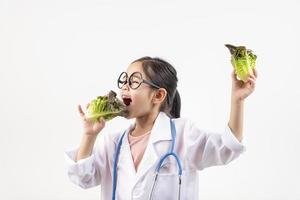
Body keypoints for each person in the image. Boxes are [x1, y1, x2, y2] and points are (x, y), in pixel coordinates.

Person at [64, 56, 257, 199]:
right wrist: (89, 135)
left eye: (134, 81)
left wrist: (237, 100)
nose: (124, 87)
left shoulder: (183, 134)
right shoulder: (112, 143)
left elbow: (227, 148)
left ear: (158, 96)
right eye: (124, 80)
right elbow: (83, 178)